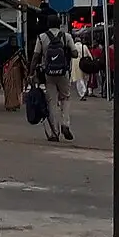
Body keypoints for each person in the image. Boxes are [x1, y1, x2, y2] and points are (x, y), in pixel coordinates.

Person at [31, 12, 78, 143]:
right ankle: (65, 124)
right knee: (65, 98)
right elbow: (75, 53)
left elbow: (35, 56)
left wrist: (31, 73)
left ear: (48, 24)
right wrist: (66, 52)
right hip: (63, 73)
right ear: (59, 24)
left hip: (48, 74)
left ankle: (54, 133)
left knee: (51, 102)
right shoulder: (66, 36)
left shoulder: (42, 37)